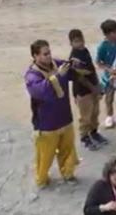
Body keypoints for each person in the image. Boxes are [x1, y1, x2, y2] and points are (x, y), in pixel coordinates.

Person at [25, 39, 80, 188]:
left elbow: (69, 70)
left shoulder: (56, 64)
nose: (49, 56)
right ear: (35, 56)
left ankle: (68, 173)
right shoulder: (32, 76)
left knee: (68, 150)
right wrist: (59, 76)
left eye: (49, 53)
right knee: (45, 156)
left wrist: (73, 64)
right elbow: (42, 92)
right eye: (45, 54)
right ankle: (41, 180)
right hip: (47, 124)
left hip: (64, 117)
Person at [68, 28, 107, 151]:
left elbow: (92, 70)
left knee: (95, 113)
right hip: (83, 91)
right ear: (71, 43)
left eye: (81, 40)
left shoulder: (84, 51)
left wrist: (98, 85)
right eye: (76, 41)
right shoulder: (74, 59)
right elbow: (80, 78)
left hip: (93, 88)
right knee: (86, 116)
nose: (80, 43)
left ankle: (94, 132)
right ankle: (85, 137)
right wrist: (93, 88)